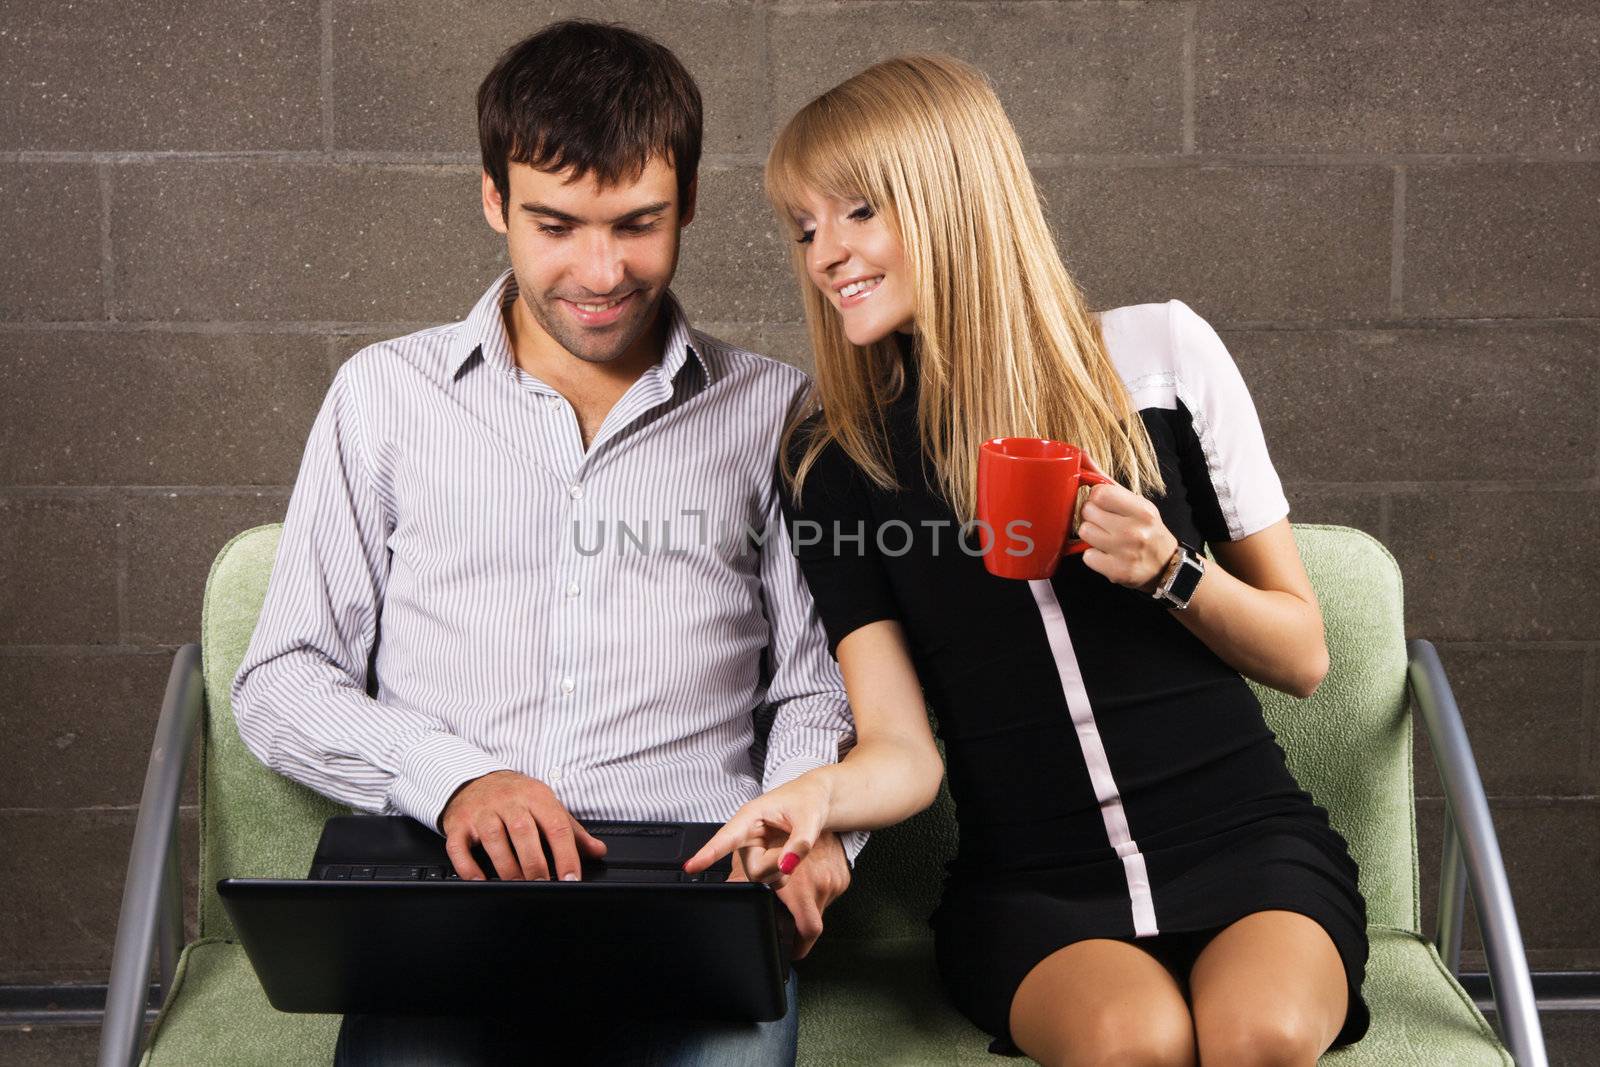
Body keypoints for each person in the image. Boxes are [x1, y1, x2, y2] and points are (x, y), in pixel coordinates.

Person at [685, 54, 1370, 1066]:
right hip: (1037, 883)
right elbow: (903, 750)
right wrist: (814, 796)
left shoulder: (1160, 360)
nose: (825, 253)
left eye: (857, 213)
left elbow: (1301, 652)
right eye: (804, 227)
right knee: (1133, 1040)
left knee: (1255, 1034)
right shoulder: (836, 459)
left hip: (1247, 841)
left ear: (951, 194)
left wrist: (1170, 569)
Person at [231, 20, 865, 1066]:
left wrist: (810, 830)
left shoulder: (777, 412)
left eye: (637, 223)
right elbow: (282, 677)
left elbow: (813, 687)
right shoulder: (384, 396)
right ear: (494, 201)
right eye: (556, 224)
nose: (600, 269)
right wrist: (454, 778)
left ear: (690, 203)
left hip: (692, 892)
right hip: (447, 887)